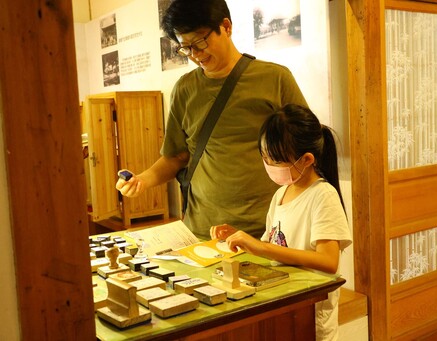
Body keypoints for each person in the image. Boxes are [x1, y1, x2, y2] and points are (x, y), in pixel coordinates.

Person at [115, 0, 307, 240]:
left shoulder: (275, 79)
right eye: (186, 48)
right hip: (204, 229)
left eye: (200, 43)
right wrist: (142, 180)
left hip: (267, 229)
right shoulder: (185, 89)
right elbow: (176, 156)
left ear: (226, 27)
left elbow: (306, 147)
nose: (195, 55)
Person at [210, 104, 352, 341]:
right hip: (285, 303)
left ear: (306, 159)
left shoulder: (323, 195)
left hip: (311, 310)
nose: (269, 166)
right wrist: (239, 237)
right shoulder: (282, 194)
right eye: (265, 158)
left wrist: (262, 247)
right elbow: (273, 247)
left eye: (275, 160)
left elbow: (328, 260)